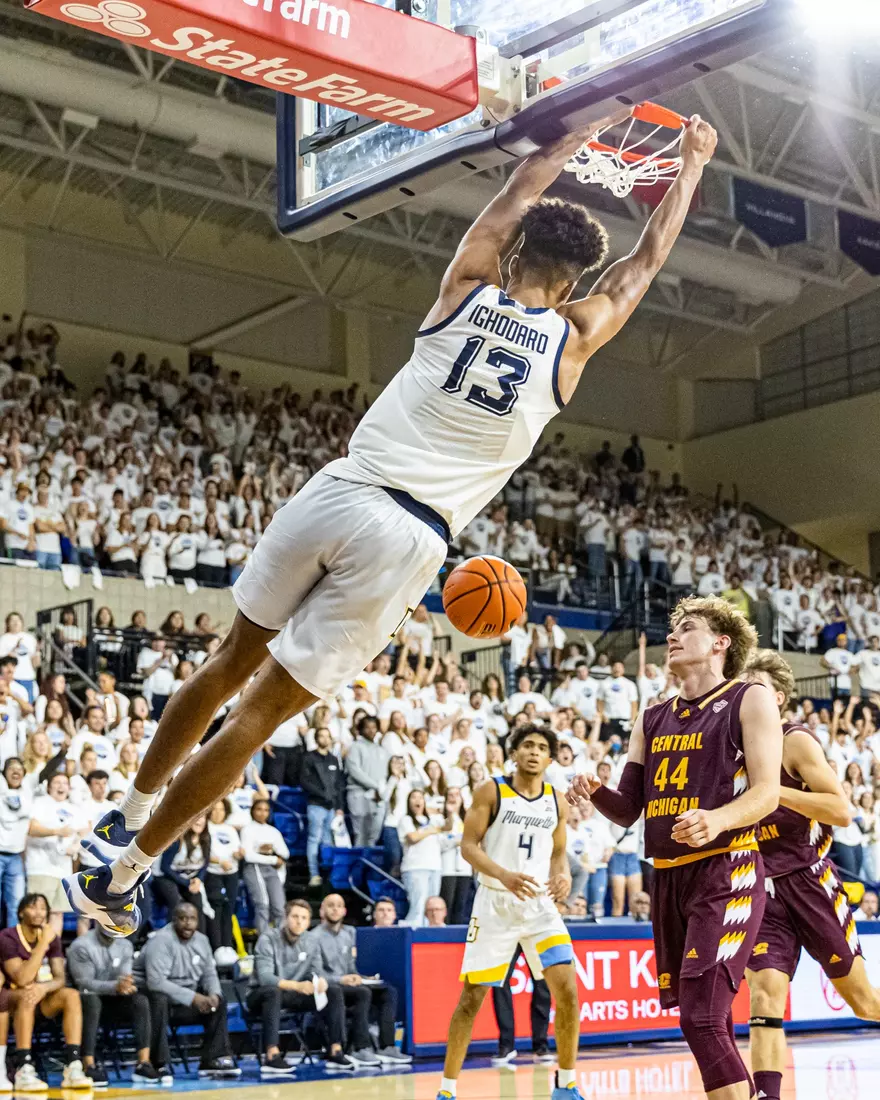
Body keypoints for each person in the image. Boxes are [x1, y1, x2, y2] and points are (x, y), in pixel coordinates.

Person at [67, 107, 721, 1000]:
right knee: (257, 718)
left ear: (515, 254)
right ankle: (126, 870)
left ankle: (128, 811)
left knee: (225, 665)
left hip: (341, 487)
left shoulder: (466, 286)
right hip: (411, 535)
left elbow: (514, 190)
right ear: (574, 283)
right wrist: (690, 164)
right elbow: (645, 262)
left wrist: (570, 134)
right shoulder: (573, 342)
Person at [568, 595, 783, 1100]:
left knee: (701, 1016)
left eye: (687, 628)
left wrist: (717, 819)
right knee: (707, 1018)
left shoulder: (749, 698)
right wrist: (595, 791)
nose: (672, 636)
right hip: (668, 876)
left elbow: (767, 793)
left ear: (720, 643)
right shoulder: (651, 717)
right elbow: (628, 809)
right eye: (673, 629)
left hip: (726, 870)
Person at [741, 649, 880, 1100]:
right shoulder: (730, 749)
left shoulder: (795, 741)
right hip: (760, 887)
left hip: (809, 880)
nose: (745, 695)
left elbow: (840, 810)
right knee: (764, 995)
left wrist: (772, 791)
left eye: (755, 688)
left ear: (778, 698)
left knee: (865, 1002)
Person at [440, 726, 578, 1100]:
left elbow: (558, 852)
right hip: (495, 903)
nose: (534, 752)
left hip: (539, 906)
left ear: (550, 759)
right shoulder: (491, 790)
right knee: (471, 999)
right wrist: (504, 875)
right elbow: (468, 846)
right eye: (527, 745)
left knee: (567, 990)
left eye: (542, 747)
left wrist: (563, 875)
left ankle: (566, 1085)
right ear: (514, 753)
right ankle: (447, 1090)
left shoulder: (557, 800)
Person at [246, 898, 354, 1073]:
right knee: (273, 992)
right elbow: (265, 978)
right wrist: (297, 986)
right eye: (295, 916)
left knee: (333, 990)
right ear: (286, 918)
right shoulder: (268, 938)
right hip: (261, 995)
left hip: (293, 995)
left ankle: (335, 1050)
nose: (299, 922)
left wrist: (320, 981)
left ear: (309, 922)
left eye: (304, 918)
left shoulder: (311, 940)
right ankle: (272, 1055)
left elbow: (315, 971)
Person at [136, 902, 239, 1080]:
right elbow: (156, 982)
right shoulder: (161, 941)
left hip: (186, 1001)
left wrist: (214, 994)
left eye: (192, 919)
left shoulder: (202, 941)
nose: (188, 923)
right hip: (159, 1003)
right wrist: (193, 998)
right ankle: (158, 1063)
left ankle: (213, 1059)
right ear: (174, 919)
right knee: (158, 998)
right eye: (183, 918)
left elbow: (209, 974)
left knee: (219, 1001)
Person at [0, 893, 90, 1089]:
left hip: (40, 998)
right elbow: (22, 979)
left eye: (43, 908)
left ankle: (73, 1065)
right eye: (33, 907)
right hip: (10, 1002)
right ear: (21, 912)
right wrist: (42, 945)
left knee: (71, 995)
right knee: (26, 995)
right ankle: (24, 1067)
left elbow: (60, 978)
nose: (39, 913)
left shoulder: (51, 938)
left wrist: (43, 987)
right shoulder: (7, 937)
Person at [314, 894, 411, 1065]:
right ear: (322, 911)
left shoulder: (349, 933)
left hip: (350, 985)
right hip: (330, 987)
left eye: (339, 906)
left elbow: (351, 966)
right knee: (363, 992)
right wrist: (341, 979)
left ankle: (387, 1046)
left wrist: (362, 977)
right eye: (331, 905)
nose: (335, 909)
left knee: (388, 991)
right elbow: (315, 973)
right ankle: (360, 1047)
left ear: (344, 911)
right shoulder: (314, 937)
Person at [67, 925, 160, 1085]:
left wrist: (126, 985)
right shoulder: (81, 945)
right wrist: (115, 986)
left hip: (113, 999)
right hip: (85, 1001)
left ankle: (143, 1063)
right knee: (92, 1000)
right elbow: (84, 983)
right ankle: (88, 1064)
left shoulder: (125, 945)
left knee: (140, 1001)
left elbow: (124, 977)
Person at [300, 727, 344, 888]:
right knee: (314, 839)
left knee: (328, 840)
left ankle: (327, 875)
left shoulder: (333, 759)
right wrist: (322, 794)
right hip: (316, 805)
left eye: (327, 736)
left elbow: (338, 785)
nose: (325, 739)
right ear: (316, 739)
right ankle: (314, 874)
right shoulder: (309, 757)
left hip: (331, 807)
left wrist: (339, 806)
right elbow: (305, 781)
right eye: (321, 736)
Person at [491, 954, 552, 1065]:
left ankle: (541, 1045)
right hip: (506, 941)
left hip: (533, 942)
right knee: (500, 979)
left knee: (541, 981)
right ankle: (506, 1045)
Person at [241, 799, 289, 932]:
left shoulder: (273, 831)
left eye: (266, 810)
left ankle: (281, 939)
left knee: (279, 907)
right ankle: (264, 940)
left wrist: (271, 849)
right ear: (252, 811)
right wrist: (270, 857)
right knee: (263, 905)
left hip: (271, 870)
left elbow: (285, 853)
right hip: (254, 868)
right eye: (259, 809)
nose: (262, 813)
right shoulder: (247, 829)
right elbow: (249, 856)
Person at [0, 759, 31, 926]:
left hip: (16, 857)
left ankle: (11, 941)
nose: (16, 771)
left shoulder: (28, 793)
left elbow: (45, 773)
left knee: (16, 905)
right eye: (11, 768)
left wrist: (62, 752)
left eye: (19, 769)